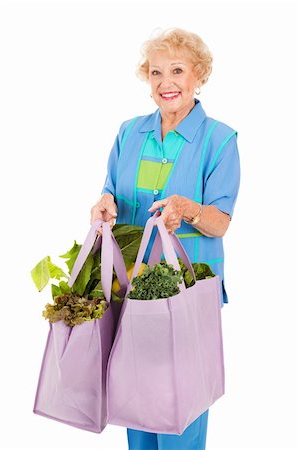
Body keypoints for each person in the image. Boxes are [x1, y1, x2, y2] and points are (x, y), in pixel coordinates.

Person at [91, 27, 240, 450]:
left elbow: (220, 222)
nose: (166, 83)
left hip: (187, 291)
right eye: (156, 72)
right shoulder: (129, 133)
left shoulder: (219, 140)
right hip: (133, 286)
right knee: (135, 401)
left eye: (177, 70)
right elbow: (111, 194)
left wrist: (187, 208)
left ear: (199, 76)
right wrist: (102, 203)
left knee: (180, 407)